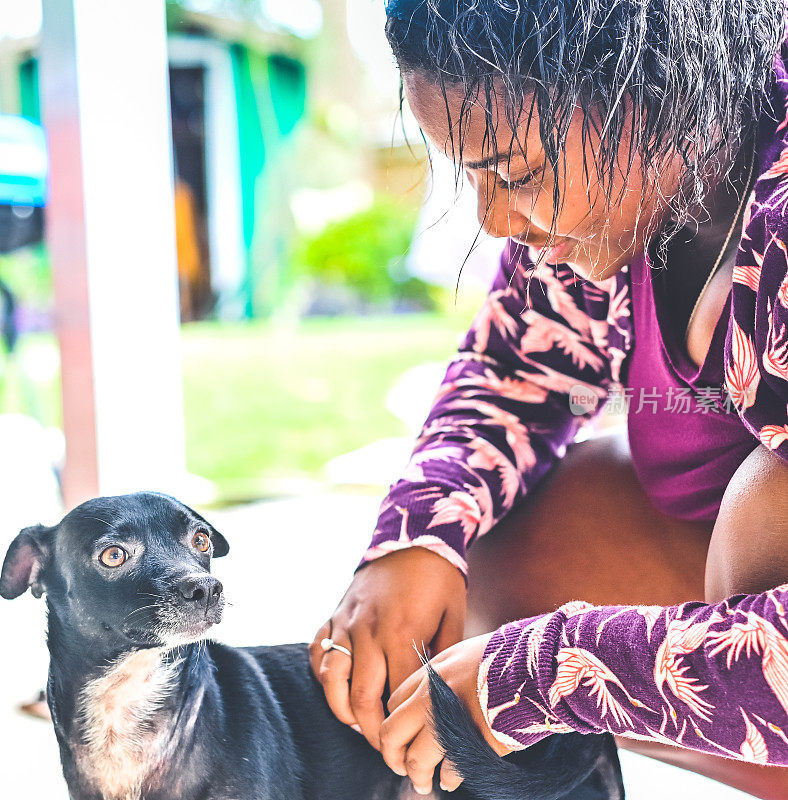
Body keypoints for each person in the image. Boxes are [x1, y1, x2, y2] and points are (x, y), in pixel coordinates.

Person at [309, 1, 788, 796]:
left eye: (515, 173)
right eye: (473, 175)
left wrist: (543, 673)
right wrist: (411, 540)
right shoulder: (626, 191)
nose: (497, 221)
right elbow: (515, 372)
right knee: (497, 532)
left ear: (658, 91)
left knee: (765, 507)